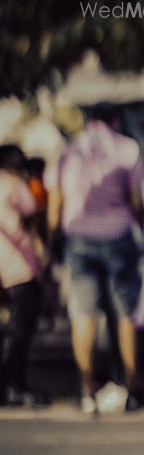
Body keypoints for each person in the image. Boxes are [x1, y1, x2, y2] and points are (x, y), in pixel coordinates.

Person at [45, 105, 144, 413]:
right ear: (115, 121)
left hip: (79, 237)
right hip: (118, 235)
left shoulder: (68, 151)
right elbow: (136, 199)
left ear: (89, 121)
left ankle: (87, 391)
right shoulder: (127, 149)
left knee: (84, 315)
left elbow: (55, 206)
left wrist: (52, 244)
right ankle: (131, 387)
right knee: (125, 314)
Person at [0, 145, 49, 406]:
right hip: (19, 265)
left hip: (4, 265)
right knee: (22, 328)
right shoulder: (15, 185)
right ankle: (14, 383)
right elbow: (34, 207)